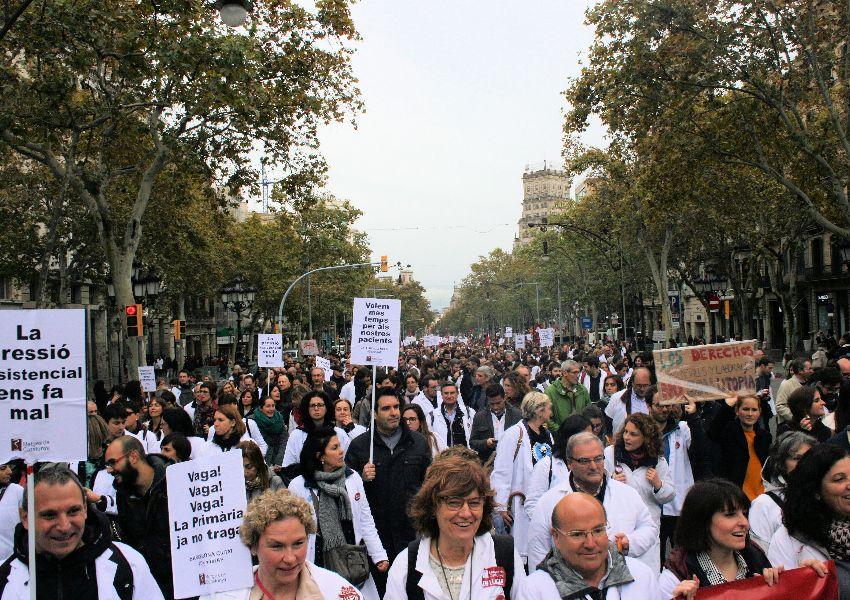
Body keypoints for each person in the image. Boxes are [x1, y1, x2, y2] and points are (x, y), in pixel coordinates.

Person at [0, 464, 163, 599]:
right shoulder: (6, 580)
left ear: (85, 509)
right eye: (49, 515)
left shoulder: (128, 565)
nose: (64, 526)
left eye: (73, 511)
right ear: (25, 517)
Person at [384, 455, 527, 600]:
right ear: (433, 507)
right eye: (454, 503)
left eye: (474, 503)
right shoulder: (406, 566)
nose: (466, 513)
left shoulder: (505, 555)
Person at [199, 489, 364, 600]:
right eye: (277, 546)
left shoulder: (337, 592)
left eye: (298, 543)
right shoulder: (223, 595)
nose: (290, 559)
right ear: (253, 546)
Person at [526, 432, 658, 571]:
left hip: (620, 582)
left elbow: (649, 528)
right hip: (569, 587)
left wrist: (629, 543)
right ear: (570, 463)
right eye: (585, 461)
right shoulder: (549, 502)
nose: (594, 466)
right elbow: (538, 551)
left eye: (598, 458)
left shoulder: (627, 494)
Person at [659, 479, 810, 599]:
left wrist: (805, 579)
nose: (744, 522)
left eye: (744, 513)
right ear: (702, 521)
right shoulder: (675, 577)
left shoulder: (756, 558)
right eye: (730, 514)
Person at [345, 389, 432, 596]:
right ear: (375, 413)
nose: (393, 412)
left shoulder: (417, 442)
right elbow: (347, 490)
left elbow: (427, 484)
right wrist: (361, 477)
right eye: (386, 408)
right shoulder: (360, 446)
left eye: (396, 407)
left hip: (410, 532)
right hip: (376, 536)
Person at [288, 429, 388, 600]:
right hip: (318, 564)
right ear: (320, 456)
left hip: (352, 563)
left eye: (340, 446)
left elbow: (365, 520)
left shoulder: (353, 478)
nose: (341, 451)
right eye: (334, 448)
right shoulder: (299, 486)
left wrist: (378, 555)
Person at [516, 493, 659, 599]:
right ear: (556, 537)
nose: (590, 544)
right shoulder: (535, 590)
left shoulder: (642, 576)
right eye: (577, 534)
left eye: (597, 531)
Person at [104, 435, 174, 598]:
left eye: (113, 462)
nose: (109, 470)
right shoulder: (123, 493)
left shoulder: (175, 481)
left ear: (133, 456)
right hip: (148, 586)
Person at [604, 412, 675, 572]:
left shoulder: (658, 461)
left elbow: (670, 495)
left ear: (646, 437)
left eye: (633, 434)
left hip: (646, 530)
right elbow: (597, 488)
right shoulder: (611, 454)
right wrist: (611, 482)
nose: (627, 437)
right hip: (618, 529)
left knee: (647, 577)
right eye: (626, 432)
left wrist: (658, 485)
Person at [491, 391, 554, 563]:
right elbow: (502, 471)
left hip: (543, 497)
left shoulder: (547, 433)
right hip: (520, 500)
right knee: (521, 549)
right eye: (548, 408)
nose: (551, 412)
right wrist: (501, 506)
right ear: (539, 410)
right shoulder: (514, 434)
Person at [768, 444, 850, 569]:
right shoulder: (788, 539)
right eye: (839, 479)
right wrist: (804, 580)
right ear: (816, 490)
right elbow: (782, 587)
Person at [748, 431, 813, 552]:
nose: (804, 463)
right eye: (797, 458)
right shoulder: (764, 504)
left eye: (809, 457)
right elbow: (760, 554)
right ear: (781, 463)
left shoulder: (823, 496)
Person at [524, 414, 592, 519]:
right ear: (570, 438)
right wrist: (553, 528)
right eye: (585, 438)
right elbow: (532, 504)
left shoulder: (592, 464)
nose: (589, 443)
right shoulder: (546, 465)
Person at [708, 393, 771, 500]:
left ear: (759, 412)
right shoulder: (729, 432)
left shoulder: (764, 436)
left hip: (761, 495)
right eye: (745, 409)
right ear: (737, 411)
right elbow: (714, 431)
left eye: (754, 410)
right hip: (736, 495)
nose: (750, 414)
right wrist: (727, 406)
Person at [282, 391, 351, 470]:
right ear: (307, 409)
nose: (316, 408)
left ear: (326, 408)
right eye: (312, 405)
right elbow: (288, 466)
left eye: (320, 405)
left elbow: (347, 463)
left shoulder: (339, 433)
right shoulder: (297, 435)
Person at [469, 383, 522, 463]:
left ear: (505, 398)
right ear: (487, 400)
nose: (495, 407)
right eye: (491, 404)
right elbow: (473, 443)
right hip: (488, 463)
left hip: (512, 462)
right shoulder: (479, 417)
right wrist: (486, 443)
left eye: (498, 403)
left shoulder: (517, 415)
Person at [604, 367, 653, 437]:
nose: (642, 389)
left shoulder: (654, 400)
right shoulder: (617, 397)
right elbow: (608, 422)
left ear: (650, 383)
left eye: (645, 385)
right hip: (620, 443)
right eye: (639, 385)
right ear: (632, 382)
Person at [545, 360, 590, 431]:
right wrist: (561, 432)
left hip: (580, 435)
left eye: (579, 372)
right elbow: (547, 418)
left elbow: (588, 412)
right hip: (560, 437)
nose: (578, 375)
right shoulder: (550, 392)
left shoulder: (582, 390)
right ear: (564, 373)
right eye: (574, 372)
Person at [430, 382, 475, 448]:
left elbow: (475, 438)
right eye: (446, 393)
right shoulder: (432, 416)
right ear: (441, 395)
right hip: (443, 456)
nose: (449, 396)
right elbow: (430, 441)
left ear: (457, 394)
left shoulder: (469, 412)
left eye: (452, 393)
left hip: (465, 456)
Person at [247, 395, 288, 466]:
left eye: (273, 406)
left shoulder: (279, 419)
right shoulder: (251, 421)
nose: (271, 409)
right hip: (259, 461)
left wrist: (278, 461)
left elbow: (284, 440)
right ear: (261, 408)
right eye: (268, 406)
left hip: (277, 460)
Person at [775, 358, 812, 425]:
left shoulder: (809, 384)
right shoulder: (787, 385)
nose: (811, 371)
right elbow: (780, 406)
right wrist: (796, 417)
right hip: (791, 425)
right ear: (800, 371)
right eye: (809, 369)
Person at [0, 462, 24, 561]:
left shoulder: (17, 491)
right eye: (3, 468)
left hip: (12, 564)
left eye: (10, 467)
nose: (9, 471)